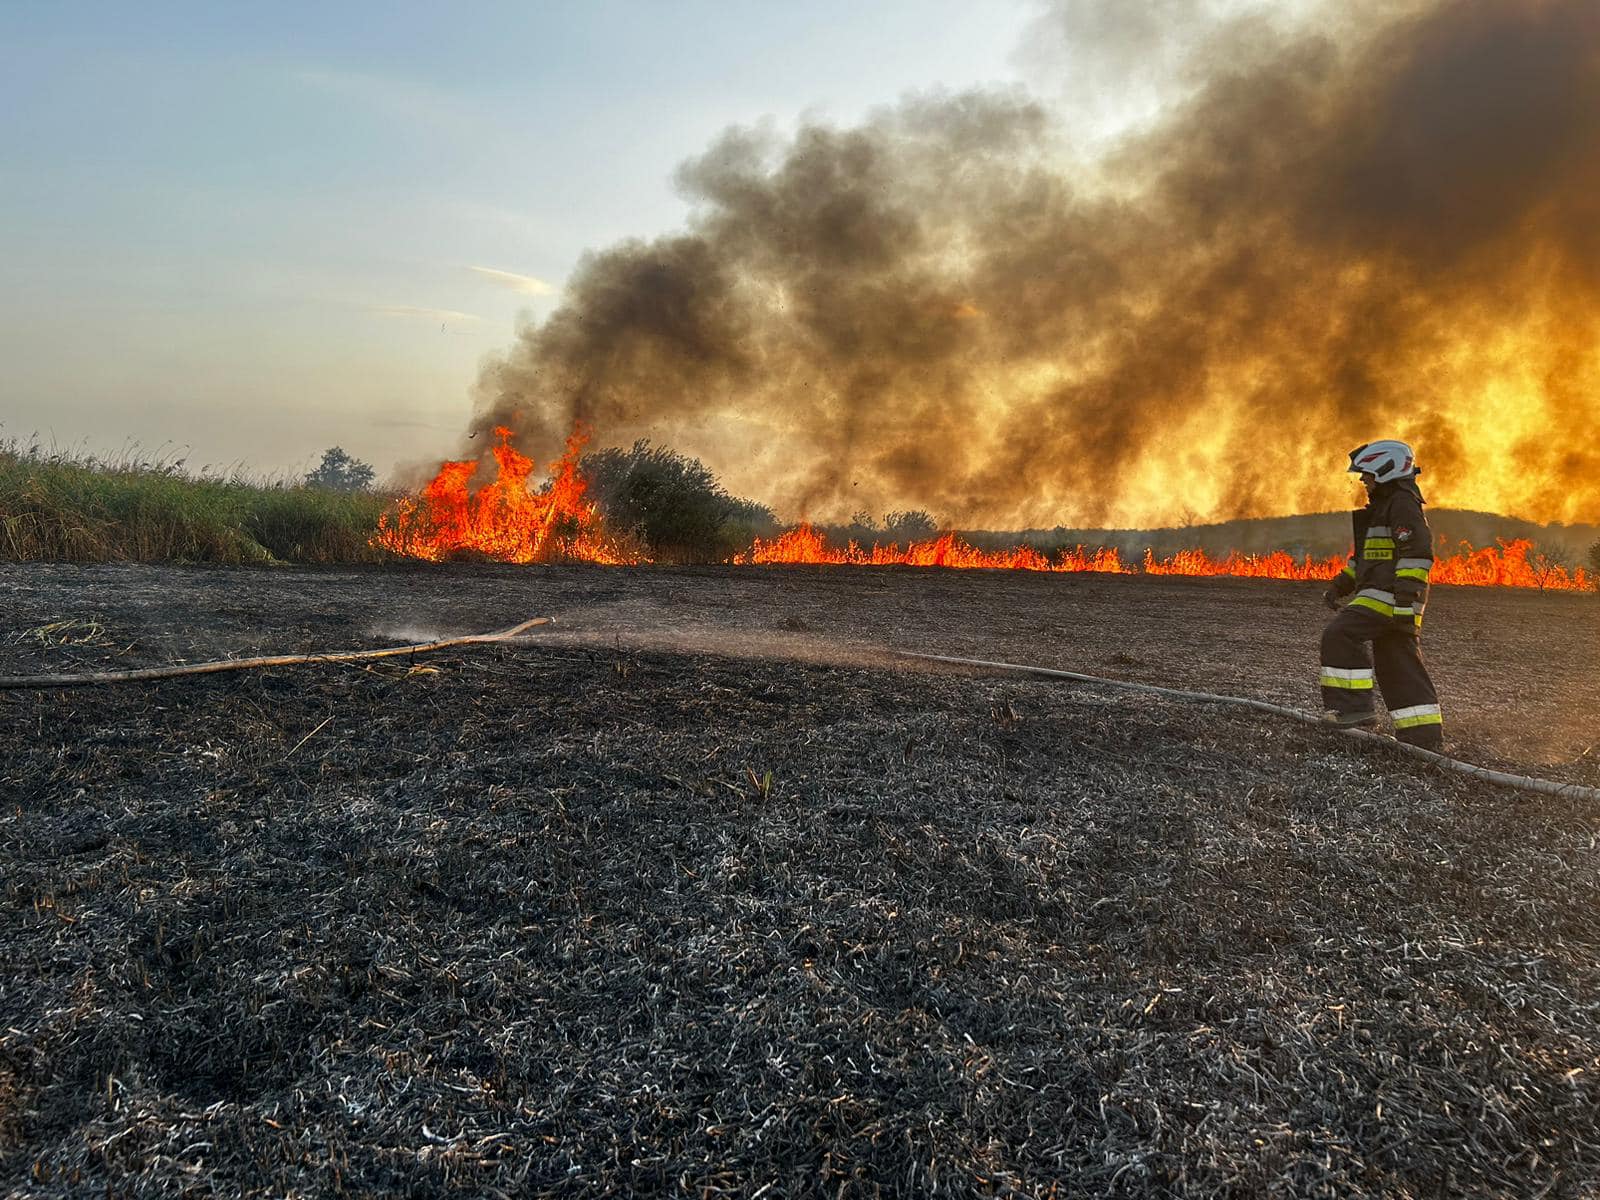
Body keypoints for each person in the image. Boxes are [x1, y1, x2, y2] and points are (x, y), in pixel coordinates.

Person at [1319, 440, 1443, 749]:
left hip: (1388, 596)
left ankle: (1354, 709)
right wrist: (1339, 586)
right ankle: (1423, 738)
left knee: (1340, 634)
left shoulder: (1401, 503)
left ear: (1385, 470)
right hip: (1389, 595)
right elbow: (1365, 559)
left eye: (1367, 474)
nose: (1362, 480)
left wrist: (1405, 599)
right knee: (1398, 665)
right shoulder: (1381, 509)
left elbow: (1416, 553)